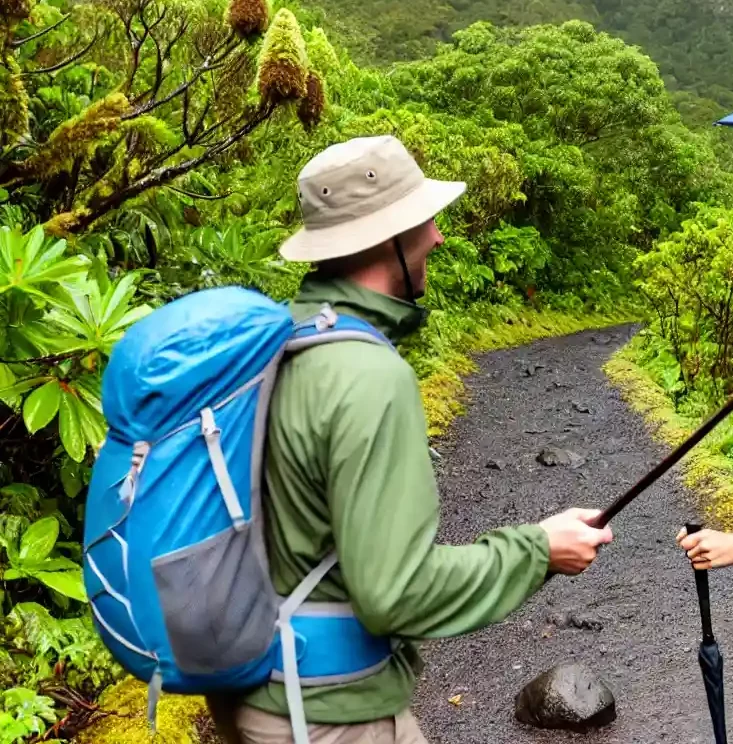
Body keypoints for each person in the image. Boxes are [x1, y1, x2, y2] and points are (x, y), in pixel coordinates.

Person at [206, 134, 614, 744]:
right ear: (387, 238)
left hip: (255, 690)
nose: (438, 237)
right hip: (325, 711)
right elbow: (395, 594)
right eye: (423, 220)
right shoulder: (368, 374)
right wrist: (538, 549)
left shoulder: (284, 340)